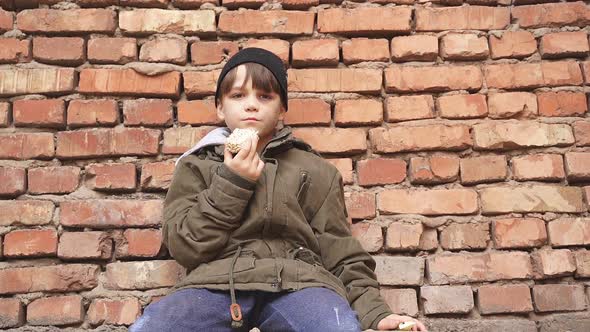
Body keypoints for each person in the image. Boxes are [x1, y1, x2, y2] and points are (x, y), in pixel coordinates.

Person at [129, 47, 428, 332]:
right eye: (237, 95)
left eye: (264, 96)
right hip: (216, 284)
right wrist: (233, 181)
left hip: (300, 285)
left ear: (282, 107)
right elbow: (185, 245)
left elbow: (342, 254)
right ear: (220, 107)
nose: (251, 104)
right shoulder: (197, 165)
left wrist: (377, 314)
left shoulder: (314, 170)